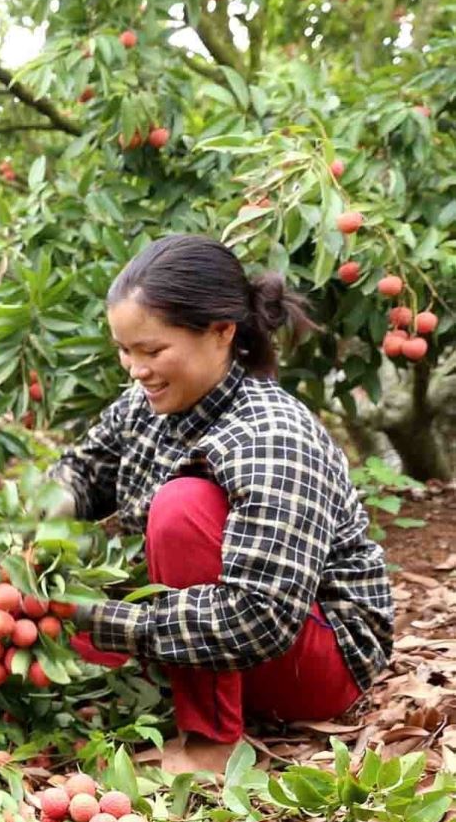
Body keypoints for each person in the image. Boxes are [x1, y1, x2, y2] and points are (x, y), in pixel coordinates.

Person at [50, 234, 394, 772]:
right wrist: (40, 511)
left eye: (152, 350)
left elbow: (262, 617)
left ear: (221, 332)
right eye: (125, 350)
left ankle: (211, 741)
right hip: (214, 637)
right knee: (42, 638)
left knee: (182, 507)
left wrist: (104, 620)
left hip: (314, 656)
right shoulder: (145, 403)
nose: (135, 369)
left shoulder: (271, 435)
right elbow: (88, 468)